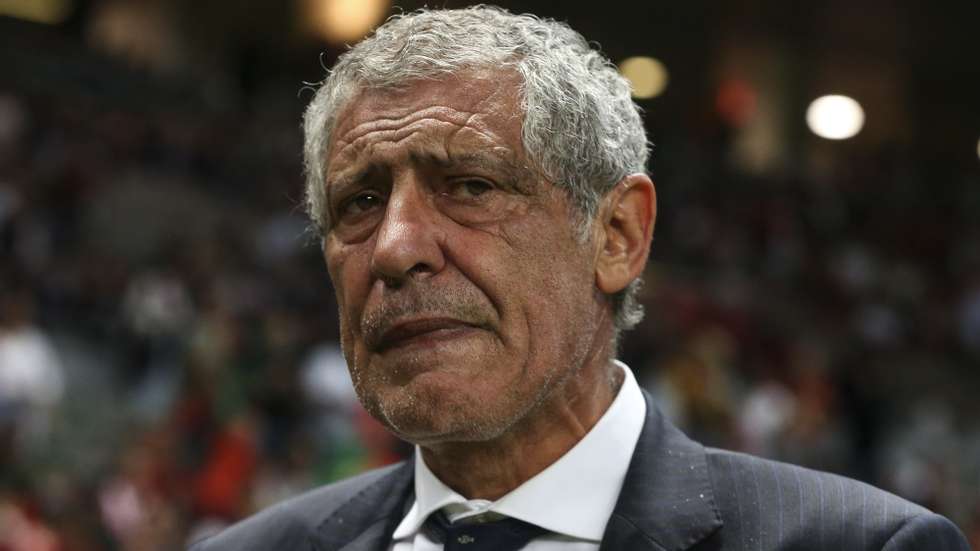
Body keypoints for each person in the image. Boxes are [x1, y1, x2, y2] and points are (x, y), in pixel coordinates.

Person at [190, 6, 969, 550]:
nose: (394, 248)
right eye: (358, 202)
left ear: (618, 235)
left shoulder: (861, 544)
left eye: (470, 186)